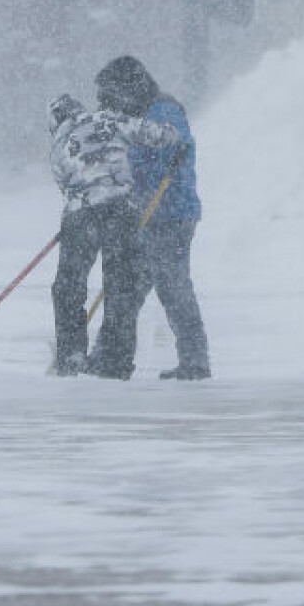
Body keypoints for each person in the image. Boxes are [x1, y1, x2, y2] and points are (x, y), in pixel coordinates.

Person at [45, 92, 179, 379]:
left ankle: (71, 356)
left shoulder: (57, 147)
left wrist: (78, 208)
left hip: (80, 215)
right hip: (120, 211)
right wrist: (171, 137)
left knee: (68, 287)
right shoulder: (107, 119)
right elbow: (149, 132)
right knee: (120, 287)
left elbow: (65, 186)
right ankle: (116, 362)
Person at [94, 55, 212, 381]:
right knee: (127, 290)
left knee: (173, 287)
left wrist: (124, 173)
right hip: (143, 216)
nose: (108, 103)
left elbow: (163, 157)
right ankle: (106, 354)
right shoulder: (138, 114)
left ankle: (195, 360)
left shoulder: (164, 112)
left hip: (169, 215)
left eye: (111, 94)